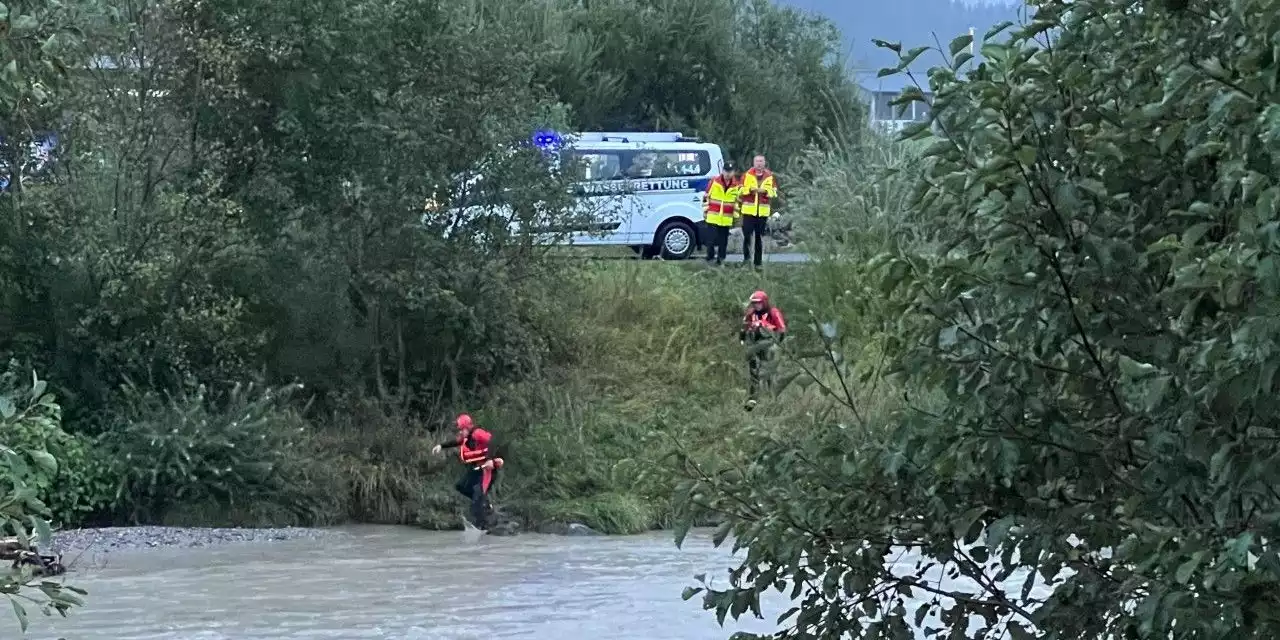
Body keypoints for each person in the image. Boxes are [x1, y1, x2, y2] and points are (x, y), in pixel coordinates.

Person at [432, 413, 504, 531]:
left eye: (461, 430)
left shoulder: (477, 433)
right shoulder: (466, 437)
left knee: (477, 499)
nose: (460, 432)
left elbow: (492, 441)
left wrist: (490, 459)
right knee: (461, 486)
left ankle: (483, 527)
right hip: (477, 468)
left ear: (468, 428)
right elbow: (456, 442)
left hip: (487, 469)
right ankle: (485, 503)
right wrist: (441, 446)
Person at [739, 290, 787, 410]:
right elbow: (744, 327)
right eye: (754, 303)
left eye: (758, 303)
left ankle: (773, 400)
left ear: (764, 302)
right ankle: (753, 399)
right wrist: (743, 337)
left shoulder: (773, 313)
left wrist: (777, 344)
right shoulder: (751, 313)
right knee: (754, 372)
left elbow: (782, 330)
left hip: (769, 346)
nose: (756, 305)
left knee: (769, 372)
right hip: (754, 346)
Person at [738, 154, 778, 269]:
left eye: (761, 161)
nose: (759, 163)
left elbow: (774, 192)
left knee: (759, 238)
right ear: (753, 163)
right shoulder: (747, 175)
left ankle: (758, 262)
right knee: (747, 236)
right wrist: (750, 190)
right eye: (757, 161)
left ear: (764, 163)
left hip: (762, 212)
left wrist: (765, 191)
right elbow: (739, 190)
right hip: (748, 211)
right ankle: (746, 260)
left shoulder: (770, 176)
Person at [701, 161, 740, 265]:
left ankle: (721, 260)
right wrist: (705, 212)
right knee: (711, 240)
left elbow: (737, 202)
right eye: (726, 171)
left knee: (723, 241)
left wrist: (736, 216)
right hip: (713, 216)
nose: (728, 173)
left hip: (726, 218)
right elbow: (706, 197)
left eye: (730, 171)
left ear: (734, 172)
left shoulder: (736, 185)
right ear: (722, 171)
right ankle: (710, 257)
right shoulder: (714, 181)